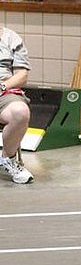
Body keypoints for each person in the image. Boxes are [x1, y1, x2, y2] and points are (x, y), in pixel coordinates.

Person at [0, 26, 33, 184]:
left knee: (20, 112)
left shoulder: (11, 38)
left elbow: (22, 75)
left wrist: (3, 87)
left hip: (3, 90)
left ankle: (9, 159)